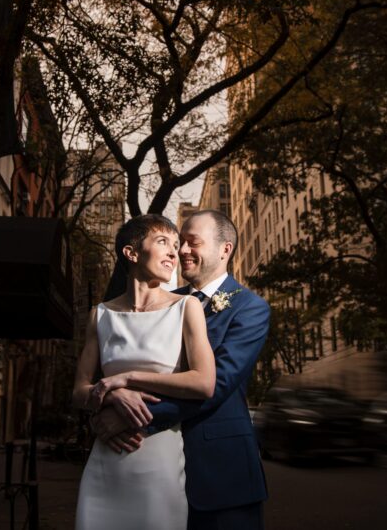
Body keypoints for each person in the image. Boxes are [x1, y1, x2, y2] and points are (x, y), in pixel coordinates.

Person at [91, 210, 271, 530]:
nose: (181, 250)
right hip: (151, 468)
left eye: (192, 242)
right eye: (178, 242)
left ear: (225, 249)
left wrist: (130, 418)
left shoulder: (250, 308)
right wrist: (111, 399)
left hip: (220, 472)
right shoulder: (165, 303)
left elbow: (217, 385)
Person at [74, 214, 216, 530]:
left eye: (176, 245)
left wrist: (126, 379)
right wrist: (114, 395)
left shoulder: (186, 307)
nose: (174, 253)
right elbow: (79, 391)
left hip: (158, 462)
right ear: (132, 252)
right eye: (163, 241)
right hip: (105, 462)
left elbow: (204, 383)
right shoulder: (100, 315)